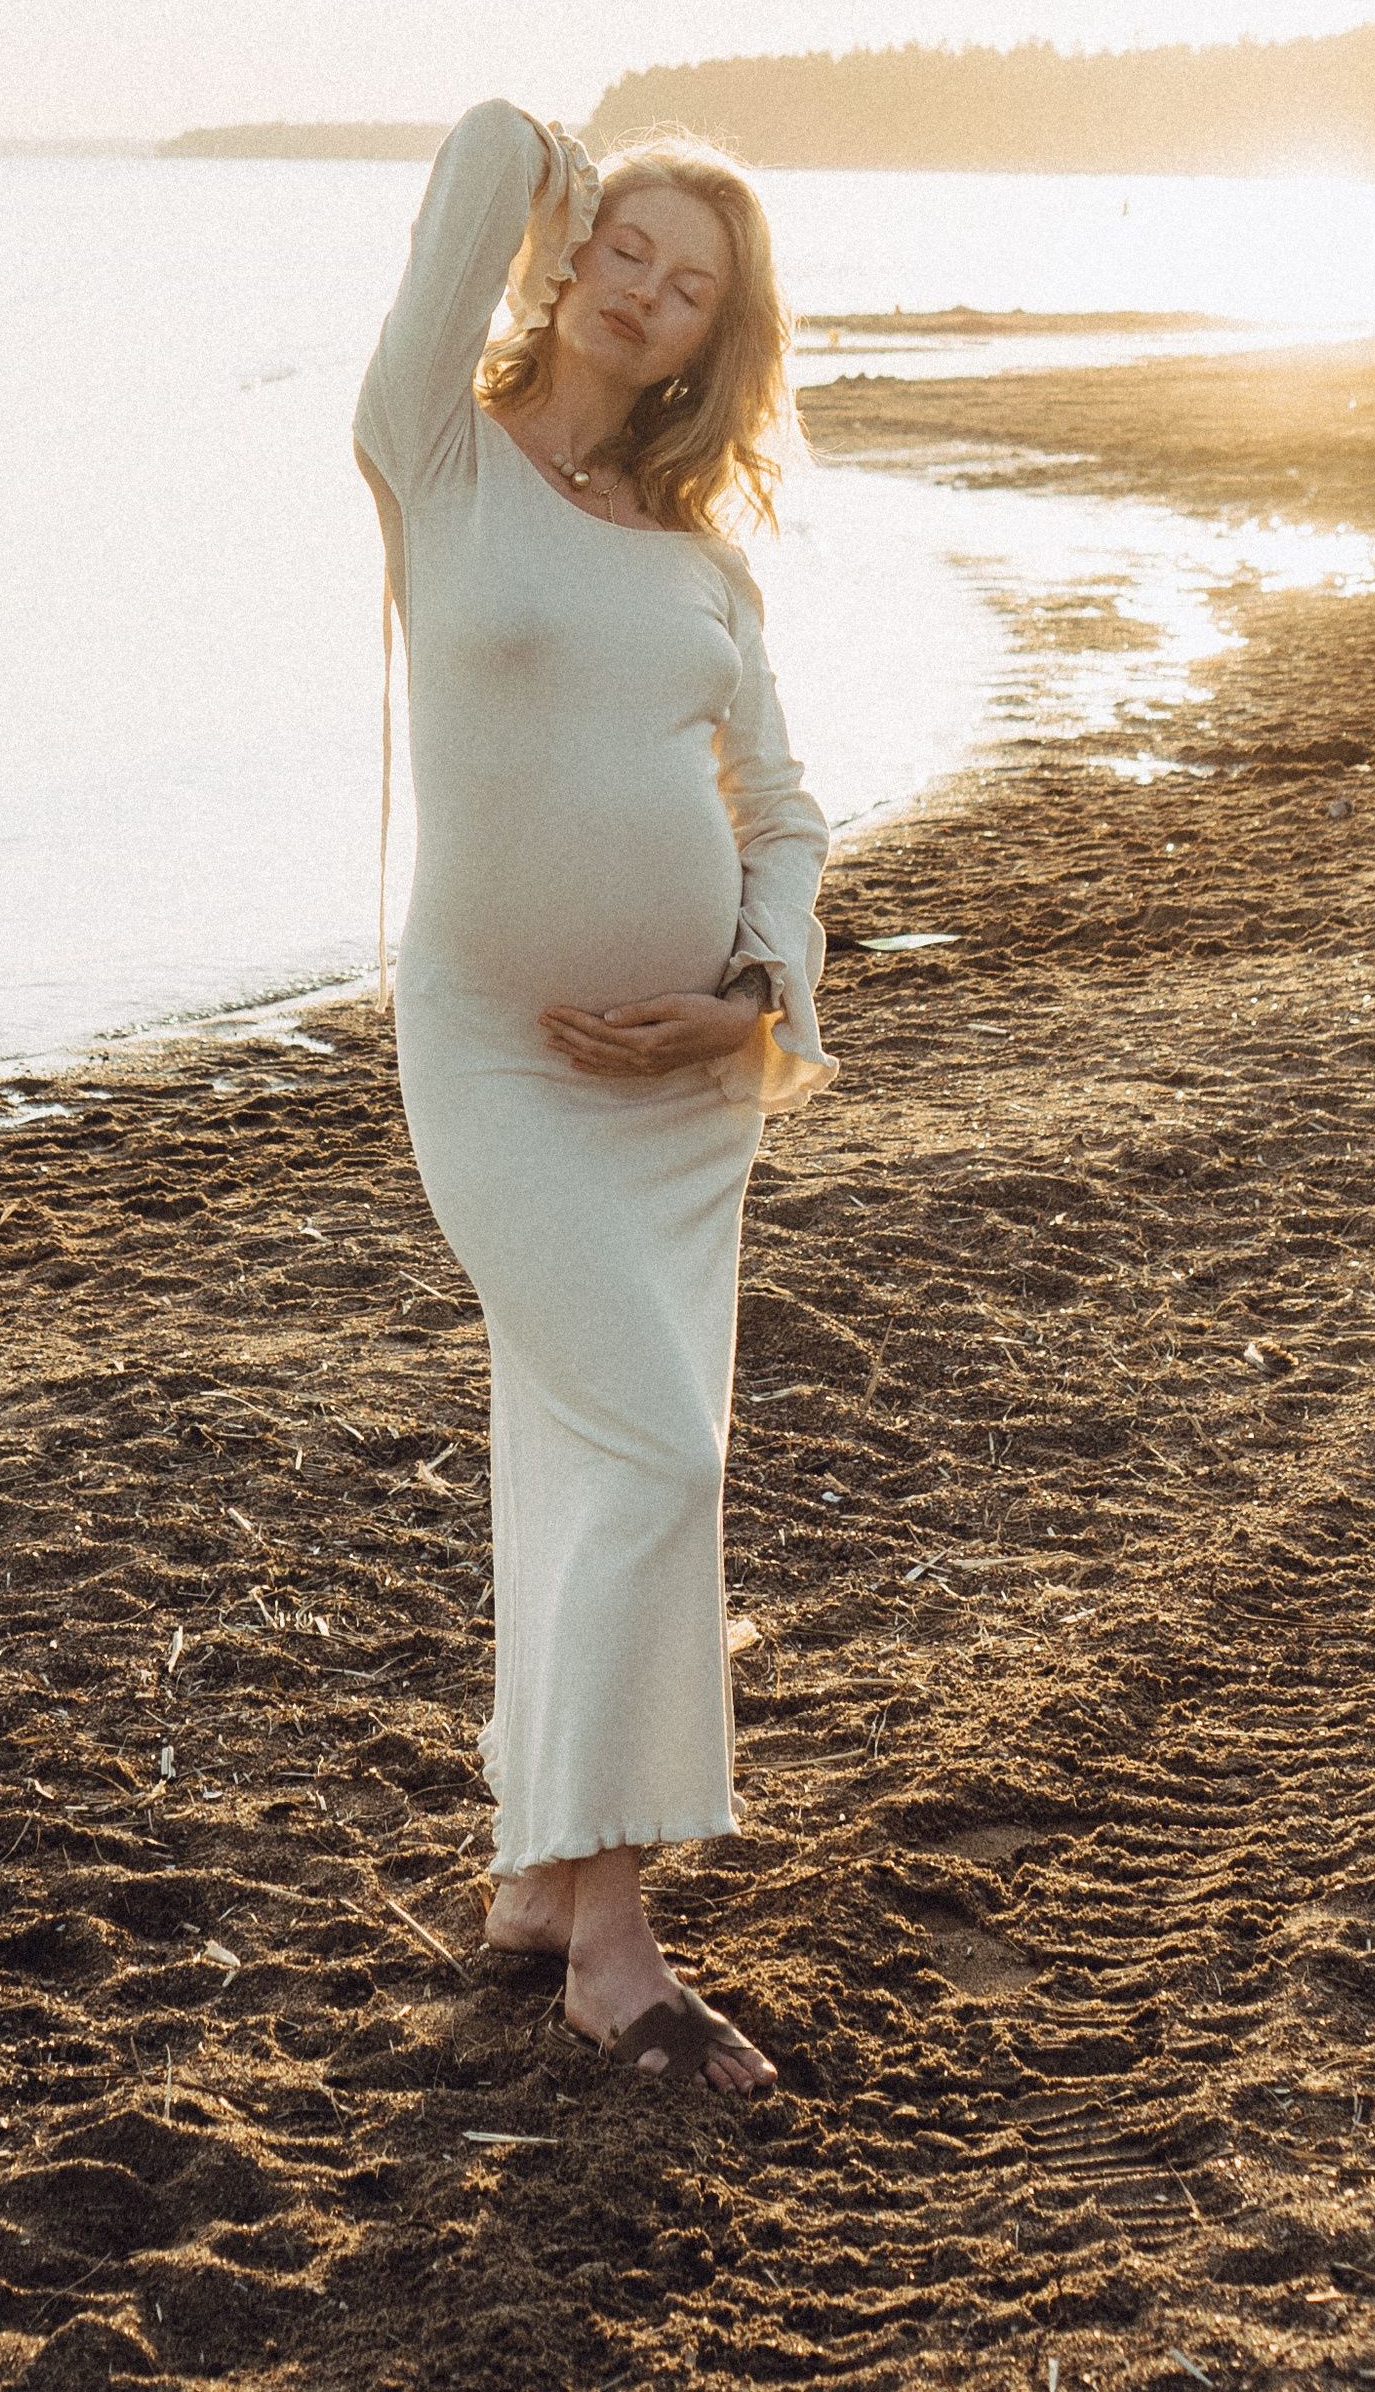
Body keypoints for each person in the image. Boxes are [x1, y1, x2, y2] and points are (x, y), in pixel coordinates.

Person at [354, 101, 833, 2093]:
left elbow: (784, 819)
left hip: (680, 1109)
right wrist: (563, 171)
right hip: (492, 1055)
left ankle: (545, 1882)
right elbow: (475, 154)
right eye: (624, 249)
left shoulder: (704, 562)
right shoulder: (434, 454)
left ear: (719, 339)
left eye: (690, 283)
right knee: (658, 1454)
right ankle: (615, 1952)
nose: (645, 292)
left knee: (583, 1462)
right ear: (563, 261)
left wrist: (747, 998)